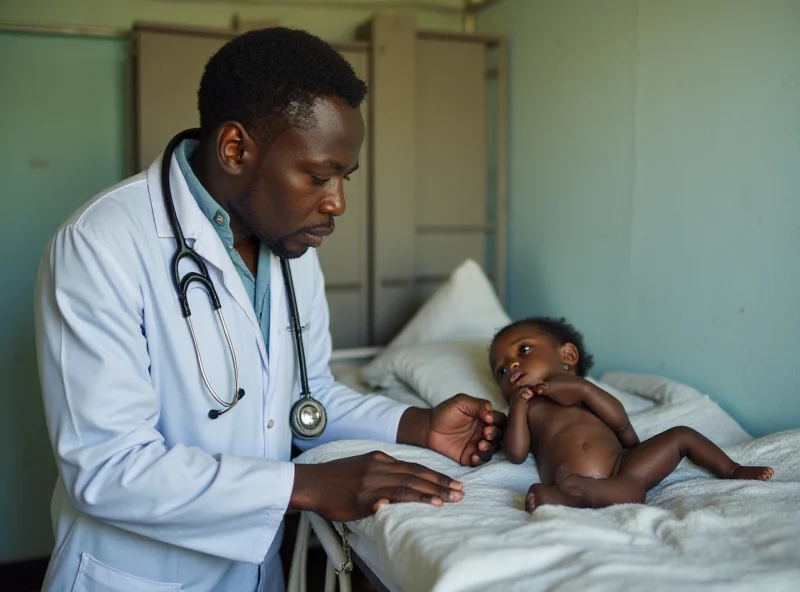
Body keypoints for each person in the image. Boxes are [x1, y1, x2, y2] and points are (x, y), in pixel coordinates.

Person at [34, 27, 506, 592]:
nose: (336, 202)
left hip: (254, 572)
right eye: (317, 175)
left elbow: (306, 397)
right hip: (137, 575)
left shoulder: (289, 243)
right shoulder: (101, 245)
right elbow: (108, 470)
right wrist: (304, 486)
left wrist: (418, 424)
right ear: (236, 149)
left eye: (342, 177)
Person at [489, 316, 773, 513]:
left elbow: (620, 420)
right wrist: (518, 408)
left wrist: (584, 390)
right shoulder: (527, 406)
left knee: (682, 435)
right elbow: (516, 453)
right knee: (625, 489)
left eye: (523, 350)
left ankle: (731, 469)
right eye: (501, 370)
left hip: (623, 462)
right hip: (568, 474)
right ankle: (572, 495)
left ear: (567, 357)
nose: (511, 366)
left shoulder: (586, 390)